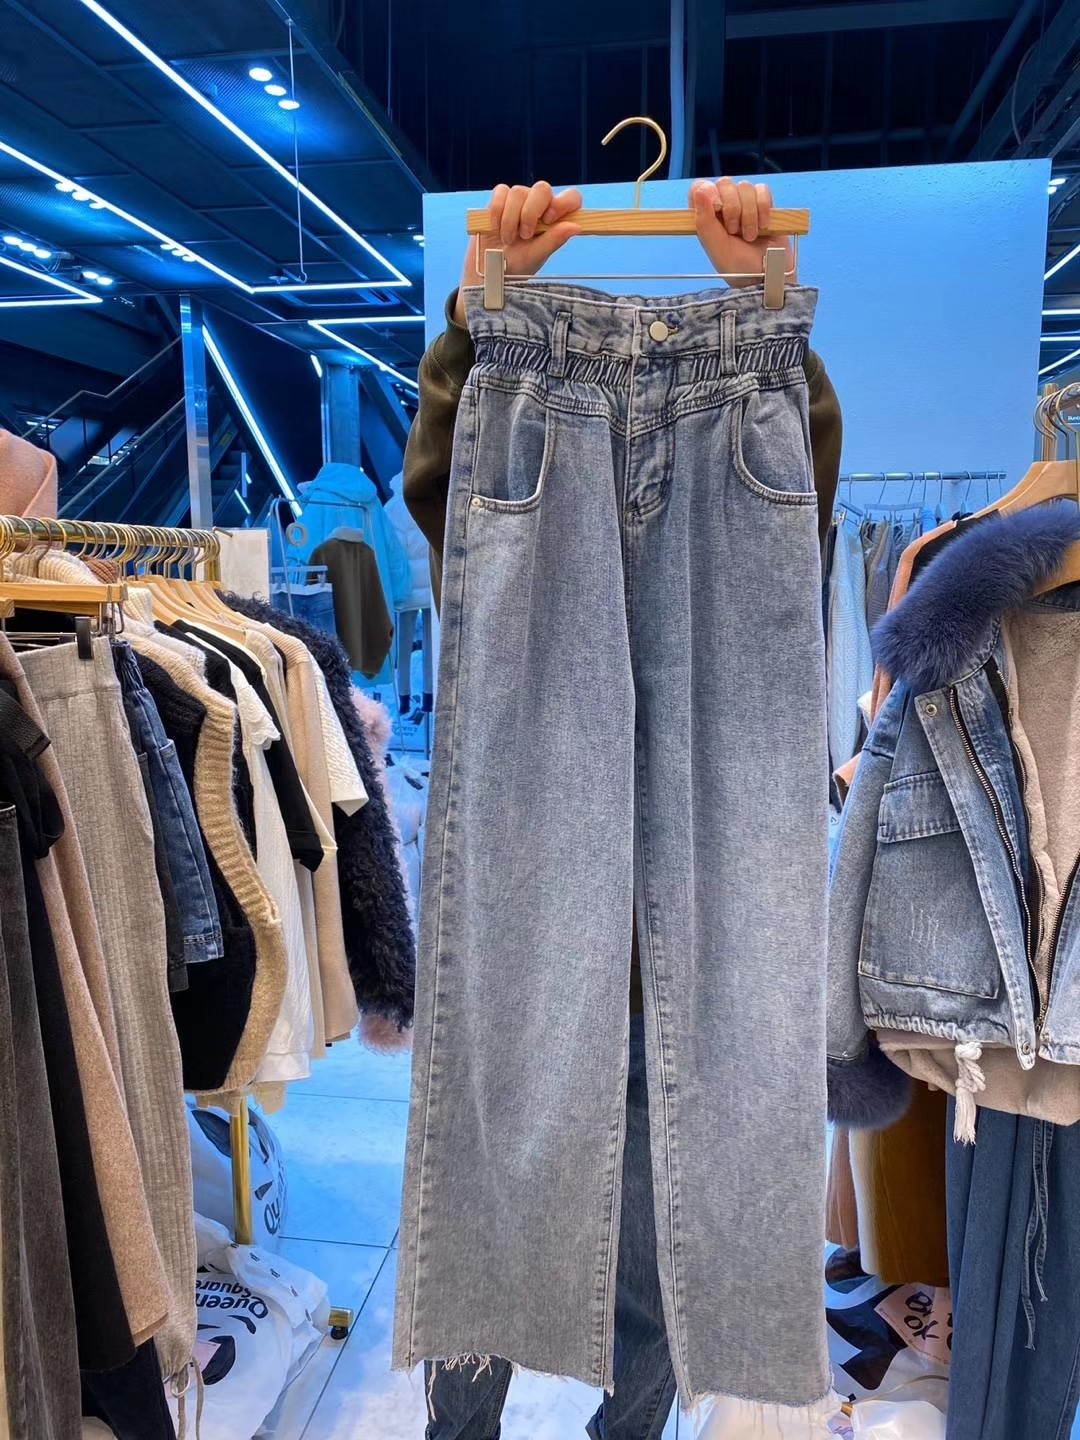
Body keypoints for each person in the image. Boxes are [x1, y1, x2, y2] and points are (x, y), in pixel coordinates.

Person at [402, 179, 843, 1440]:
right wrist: (479, 328)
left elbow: (795, 529)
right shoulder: (504, 412)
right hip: (543, 930)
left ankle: (615, 1429)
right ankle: (464, 1428)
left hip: (678, 965)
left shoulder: (764, 418)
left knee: (667, 1235)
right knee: (504, 1163)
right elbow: (452, 514)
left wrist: (770, 328)